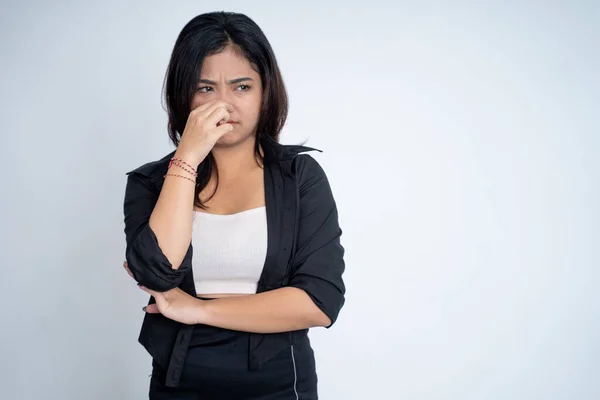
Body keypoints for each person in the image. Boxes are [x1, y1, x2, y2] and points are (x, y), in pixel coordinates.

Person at [122, 11, 346, 399]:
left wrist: (199, 310)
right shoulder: (150, 182)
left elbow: (319, 301)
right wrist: (187, 158)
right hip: (178, 384)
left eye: (241, 87)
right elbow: (159, 274)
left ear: (265, 93)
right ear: (182, 95)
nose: (223, 105)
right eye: (205, 89)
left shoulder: (300, 178)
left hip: (278, 385)